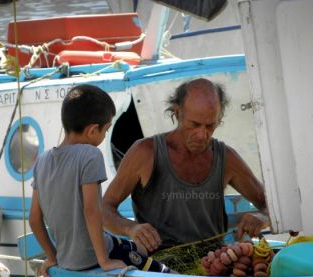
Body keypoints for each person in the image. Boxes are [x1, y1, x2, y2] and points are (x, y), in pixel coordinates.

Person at [103, 78, 269, 253]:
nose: (201, 135)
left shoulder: (226, 158)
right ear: (177, 112)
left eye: (210, 126)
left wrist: (262, 217)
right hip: (161, 271)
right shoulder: (145, 153)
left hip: (214, 266)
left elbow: (270, 204)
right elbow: (104, 209)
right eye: (194, 124)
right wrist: (131, 228)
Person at [29, 84, 170, 277]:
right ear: (93, 130)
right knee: (165, 272)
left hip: (67, 258)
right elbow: (92, 211)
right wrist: (104, 260)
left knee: (139, 248)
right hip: (94, 256)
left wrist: (53, 257)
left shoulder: (42, 161)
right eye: (105, 130)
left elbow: (34, 219)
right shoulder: (90, 155)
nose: (104, 137)